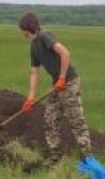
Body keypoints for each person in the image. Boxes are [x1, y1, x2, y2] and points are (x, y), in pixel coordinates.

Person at [18, 12, 92, 166]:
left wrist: (62, 78)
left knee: (76, 120)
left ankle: (87, 158)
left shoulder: (45, 37)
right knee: (50, 118)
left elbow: (65, 53)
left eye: (21, 29)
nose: (21, 32)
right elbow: (34, 72)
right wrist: (30, 97)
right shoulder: (33, 46)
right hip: (57, 86)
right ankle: (55, 156)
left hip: (69, 82)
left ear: (27, 27)